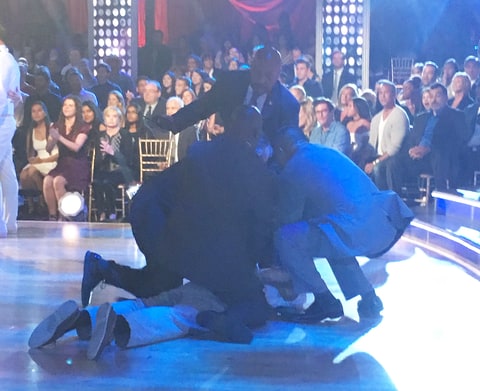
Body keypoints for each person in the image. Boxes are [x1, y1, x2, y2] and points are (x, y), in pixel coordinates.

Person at [81, 106, 275, 340]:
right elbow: (254, 223)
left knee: (162, 283)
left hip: (153, 211)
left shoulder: (207, 150)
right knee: (252, 301)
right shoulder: (247, 164)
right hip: (164, 220)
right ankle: (220, 319)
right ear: (254, 135)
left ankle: (103, 272)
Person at [271, 126, 414, 322]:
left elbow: (288, 217)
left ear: (280, 150)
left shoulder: (295, 165)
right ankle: (369, 297)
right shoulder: (324, 151)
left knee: (286, 237)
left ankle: (324, 300)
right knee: (331, 236)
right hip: (382, 222)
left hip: (357, 228)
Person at [151, 46, 299, 142]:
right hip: (227, 158)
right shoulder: (230, 82)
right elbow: (204, 105)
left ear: (279, 73)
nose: (261, 79)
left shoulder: (288, 104)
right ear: (251, 66)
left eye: (268, 75)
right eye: (258, 72)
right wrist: (175, 121)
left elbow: (288, 146)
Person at [406, 83, 468, 191]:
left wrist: (428, 149)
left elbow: (457, 140)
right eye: (431, 97)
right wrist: (413, 150)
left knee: (439, 155)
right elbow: (413, 138)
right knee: (394, 160)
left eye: (438, 96)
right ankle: (398, 199)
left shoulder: (457, 116)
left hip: (442, 157)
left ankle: (442, 195)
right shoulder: (421, 118)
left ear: (446, 98)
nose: (433, 100)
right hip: (419, 157)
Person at [42, 96, 91, 220]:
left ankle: (65, 215)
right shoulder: (57, 126)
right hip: (62, 163)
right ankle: (52, 215)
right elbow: (48, 149)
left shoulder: (83, 126)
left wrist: (59, 137)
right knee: (47, 180)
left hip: (77, 164)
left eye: (70, 105)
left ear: (76, 108)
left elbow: (76, 147)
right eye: (65, 105)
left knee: (58, 181)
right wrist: (52, 138)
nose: (66, 108)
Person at [366, 80, 409, 195]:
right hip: (377, 156)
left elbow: (394, 148)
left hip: (393, 158)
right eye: (380, 93)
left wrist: (374, 163)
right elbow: (371, 144)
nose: (383, 96)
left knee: (378, 168)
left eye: (386, 93)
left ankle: (386, 200)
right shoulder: (376, 118)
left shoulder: (399, 115)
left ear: (394, 95)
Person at [0, 24, 21, 237]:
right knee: (6, 171)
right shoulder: (8, 60)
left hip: (1, 120)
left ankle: (1, 224)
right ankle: (10, 221)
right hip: (5, 118)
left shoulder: (3, 61)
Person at [19, 102, 58, 216]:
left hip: (52, 159)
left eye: (39, 110)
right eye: (33, 111)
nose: (36, 113)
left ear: (45, 112)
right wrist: (32, 160)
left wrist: (42, 161)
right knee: (23, 174)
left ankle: (44, 202)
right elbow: (30, 152)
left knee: (32, 172)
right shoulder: (32, 130)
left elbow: (59, 153)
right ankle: (31, 206)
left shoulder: (52, 127)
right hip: (39, 159)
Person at [91, 106, 127, 222]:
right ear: (104, 119)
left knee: (107, 183)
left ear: (119, 119)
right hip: (103, 169)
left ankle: (111, 212)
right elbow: (96, 159)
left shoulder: (125, 135)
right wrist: (103, 155)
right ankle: (101, 212)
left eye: (114, 116)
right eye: (108, 116)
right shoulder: (99, 136)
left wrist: (112, 152)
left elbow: (128, 159)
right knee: (96, 183)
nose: (111, 119)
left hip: (120, 170)